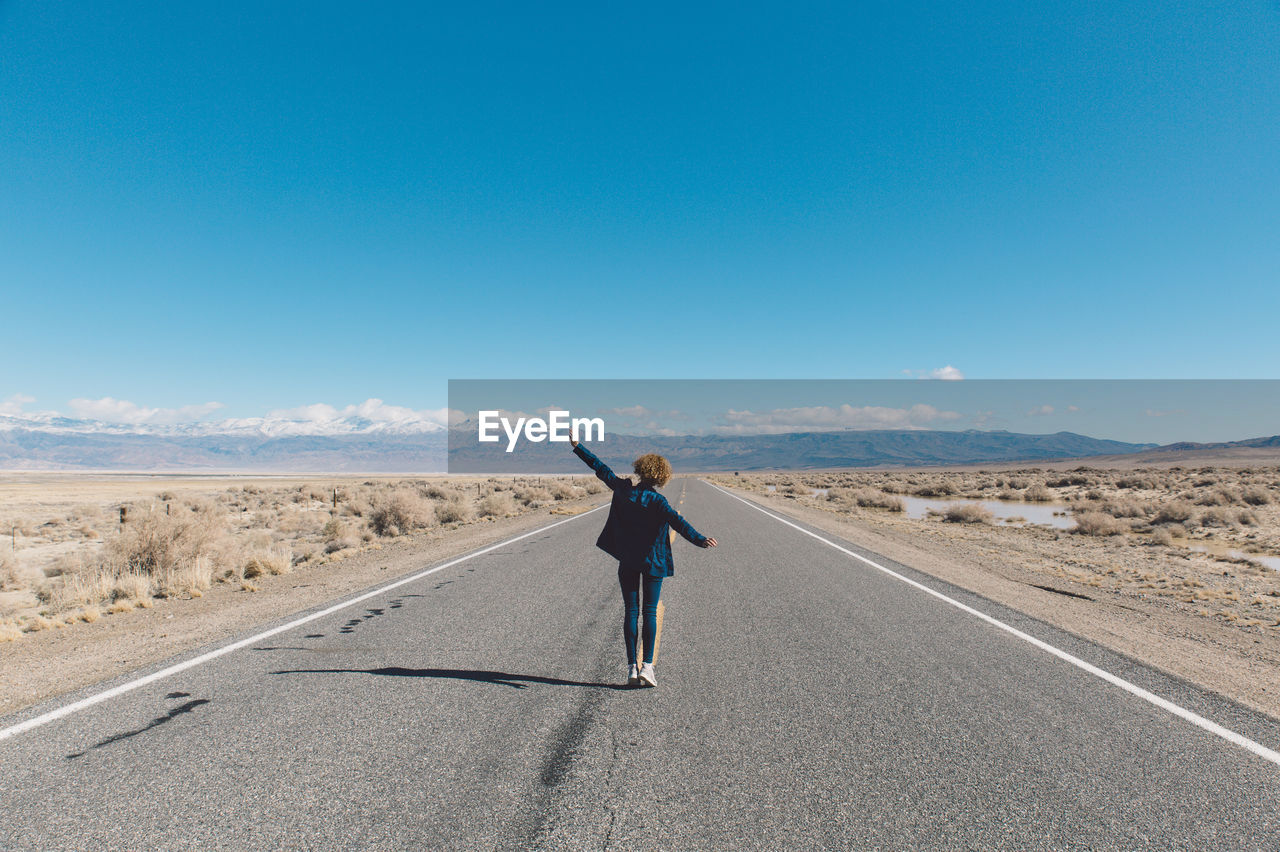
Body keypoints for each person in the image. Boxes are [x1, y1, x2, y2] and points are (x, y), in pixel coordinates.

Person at [570, 436, 717, 687]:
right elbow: (678, 523)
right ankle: (647, 667)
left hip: (628, 560)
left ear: (640, 470)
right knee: (649, 611)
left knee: (631, 611)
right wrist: (700, 539)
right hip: (653, 562)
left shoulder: (624, 489)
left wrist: (577, 447)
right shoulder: (658, 501)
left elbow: (600, 468)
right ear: (662, 476)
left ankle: (631, 667)